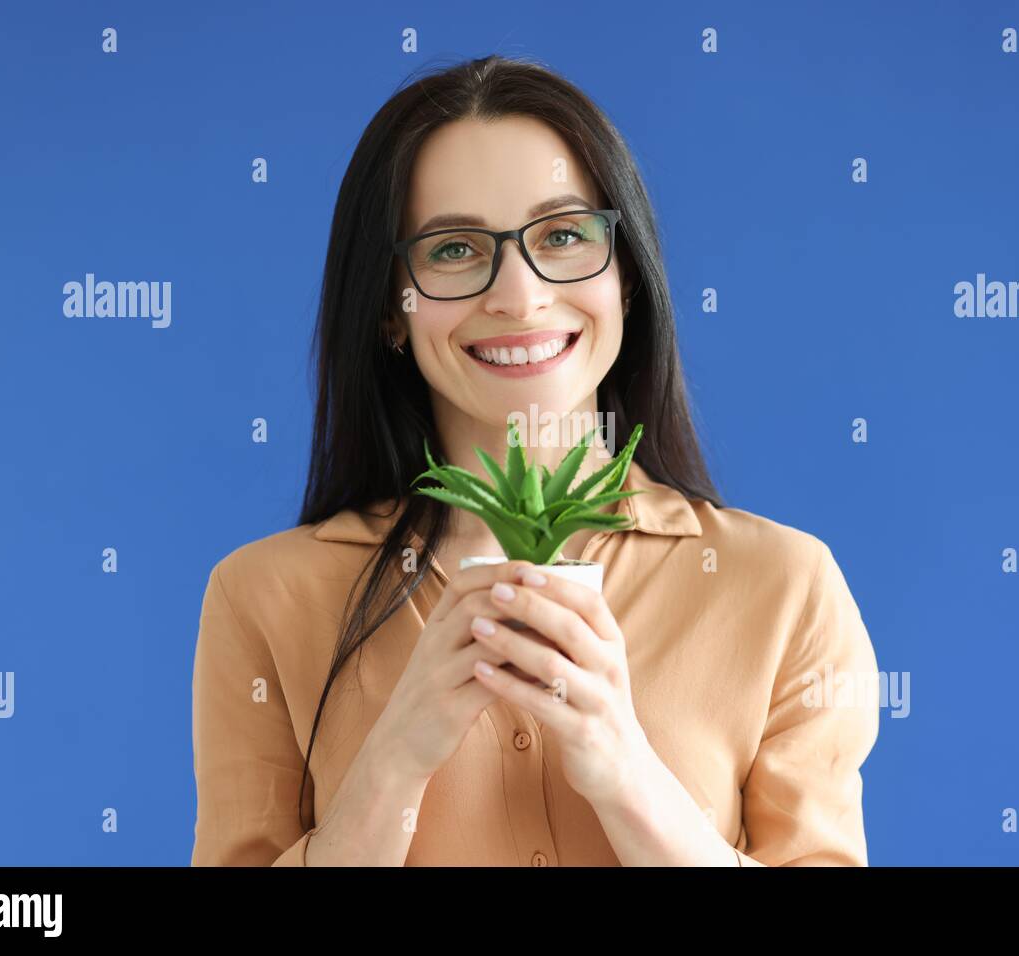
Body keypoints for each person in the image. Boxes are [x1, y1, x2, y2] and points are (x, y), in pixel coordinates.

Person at [190, 53, 879, 866]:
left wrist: (628, 775)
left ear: (625, 278)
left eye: (562, 234)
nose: (519, 295)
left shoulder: (784, 587)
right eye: (453, 249)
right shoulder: (263, 597)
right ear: (389, 308)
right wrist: (392, 762)